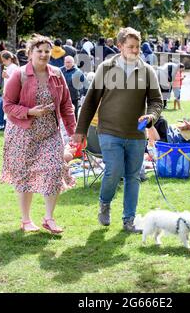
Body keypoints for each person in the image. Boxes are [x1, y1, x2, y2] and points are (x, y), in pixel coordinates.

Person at [75, 27, 163, 232]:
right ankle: (104, 203)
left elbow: (157, 101)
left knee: (133, 176)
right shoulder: (106, 68)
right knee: (113, 171)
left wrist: (151, 117)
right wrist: (80, 131)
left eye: (137, 47)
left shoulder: (147, 71)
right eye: (130, 46)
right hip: (109, 131)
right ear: (120, 46)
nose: (135, 50)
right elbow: (90, 101)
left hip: (136, 134)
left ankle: (129, 221)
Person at [0, 34, 77, 233]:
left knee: (54, 169)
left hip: (50, 132)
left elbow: (66, 104)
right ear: (30, 53)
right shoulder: (19, 74)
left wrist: (73, 132)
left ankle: (49, 218)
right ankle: (26, 220)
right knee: (24, 176)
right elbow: (7, 105)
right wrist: (29, 112)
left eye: (46, 51)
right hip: (22, 133)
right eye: (39, 51)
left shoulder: (57, 74)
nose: (43, 54)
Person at [0, 50, 19, 131]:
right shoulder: (8, 67)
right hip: (7, 91)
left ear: (9, 59)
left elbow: (17, 80)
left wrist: (7, 76)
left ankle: (2, 124)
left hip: (11, 92)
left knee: (2, 106)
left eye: (4, 61)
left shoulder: (14, 67)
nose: (3, 63)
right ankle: (2, 124)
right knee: (1, 106)